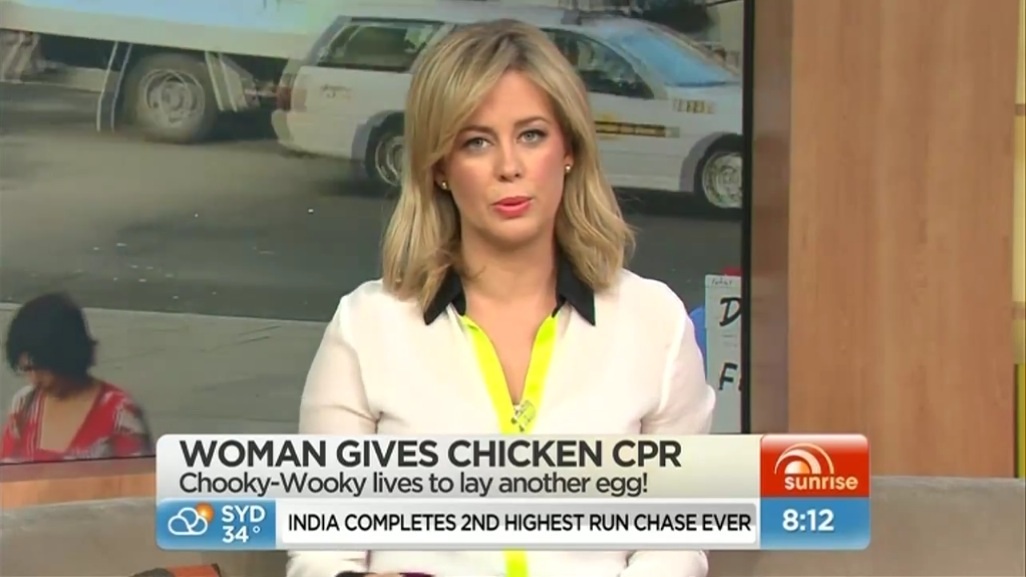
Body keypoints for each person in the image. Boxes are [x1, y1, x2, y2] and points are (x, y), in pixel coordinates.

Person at [288, 18, 714, 577]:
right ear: (440, 168)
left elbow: (677, 541)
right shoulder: (367, 326)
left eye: (531, 135)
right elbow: (321, 552)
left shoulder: (653, 322)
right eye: (477, 142)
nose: (509, 167)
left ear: (569, 149)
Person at [1, 292, 153, 463]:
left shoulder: (120, 413)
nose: (35, 380)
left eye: (43, 368)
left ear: (68, 354)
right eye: (27, 369)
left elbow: (138, 477)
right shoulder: (24, 404)